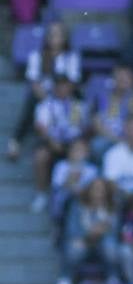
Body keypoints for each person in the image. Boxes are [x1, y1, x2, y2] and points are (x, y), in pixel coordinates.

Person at [8, 19, 80, 161]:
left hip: (65, 94)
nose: (55, 38)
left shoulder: (71, 57)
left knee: (78, 102)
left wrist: (61, 95)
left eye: (59, 35)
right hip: (44, 95)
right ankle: (16, 142)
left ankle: (74, 142)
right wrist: (48, 99)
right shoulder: (37, 56)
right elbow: (34, 82)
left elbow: (72, 82)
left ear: (65, 38)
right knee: (31, 103)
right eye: (52, 35)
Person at [31, 74, 89, 212]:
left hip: (72, 142)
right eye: (59, 86)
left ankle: (78, 193)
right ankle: (41, 193)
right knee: (40, 156)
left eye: (65, 86)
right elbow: (41, 127)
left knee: (80, 151)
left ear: (70, 88)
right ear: (55, 88)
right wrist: (53, 141)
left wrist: (75, 145)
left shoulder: (77, 105)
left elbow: (81, 128)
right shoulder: (46, 105)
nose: (63, 89)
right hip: (51, 142)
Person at [91, 63, 133, 158]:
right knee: (97, 145)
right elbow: (97, 124)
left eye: (127, 78)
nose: (123, 80)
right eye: (120, 77)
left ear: (132, 81)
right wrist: (116, 139)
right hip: (110, 138)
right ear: (114, 79)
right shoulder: (102, 97)